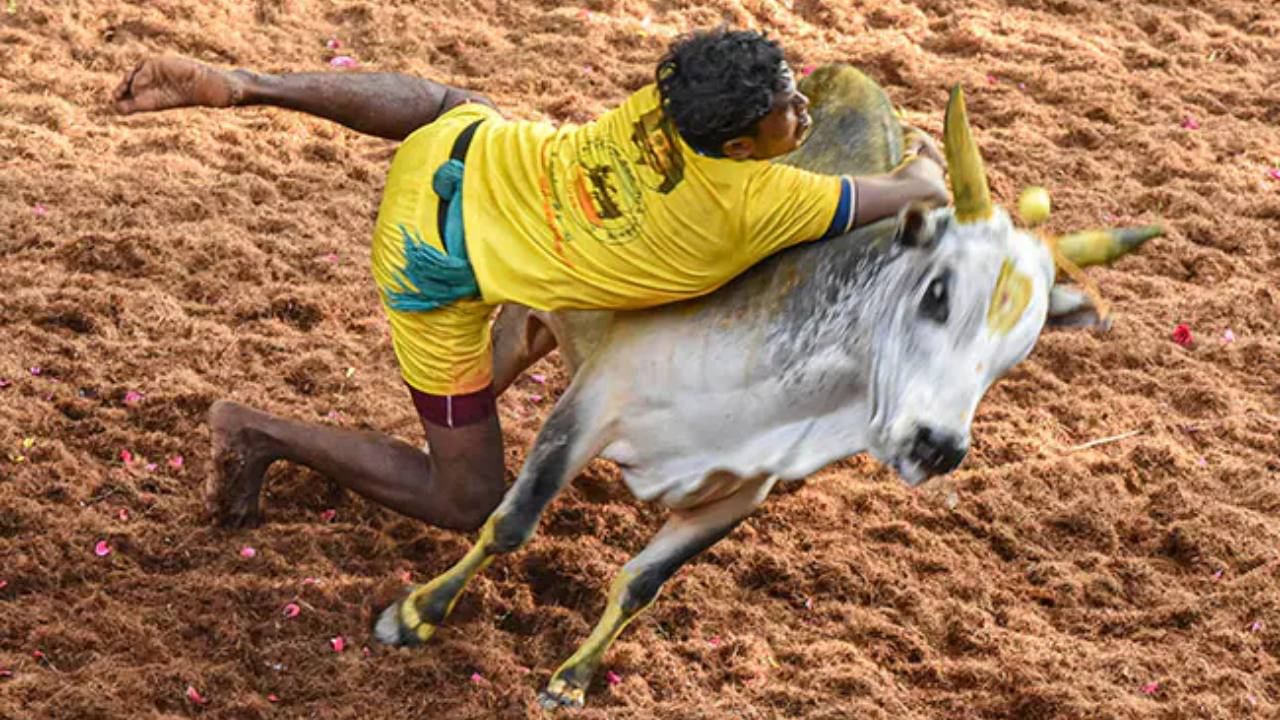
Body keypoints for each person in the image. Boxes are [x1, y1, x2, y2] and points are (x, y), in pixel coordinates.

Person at [111, 27, 948, 532]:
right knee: (467, 497)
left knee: (453, 103)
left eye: (799, 96)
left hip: (478, 156)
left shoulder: (668, 101)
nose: (803, 116)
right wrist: (927, 157)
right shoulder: (755, 203)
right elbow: (918, 187)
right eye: (787, 112)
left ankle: (251, 86)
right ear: (736, 147)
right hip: (429, 265)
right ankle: (256, 432)